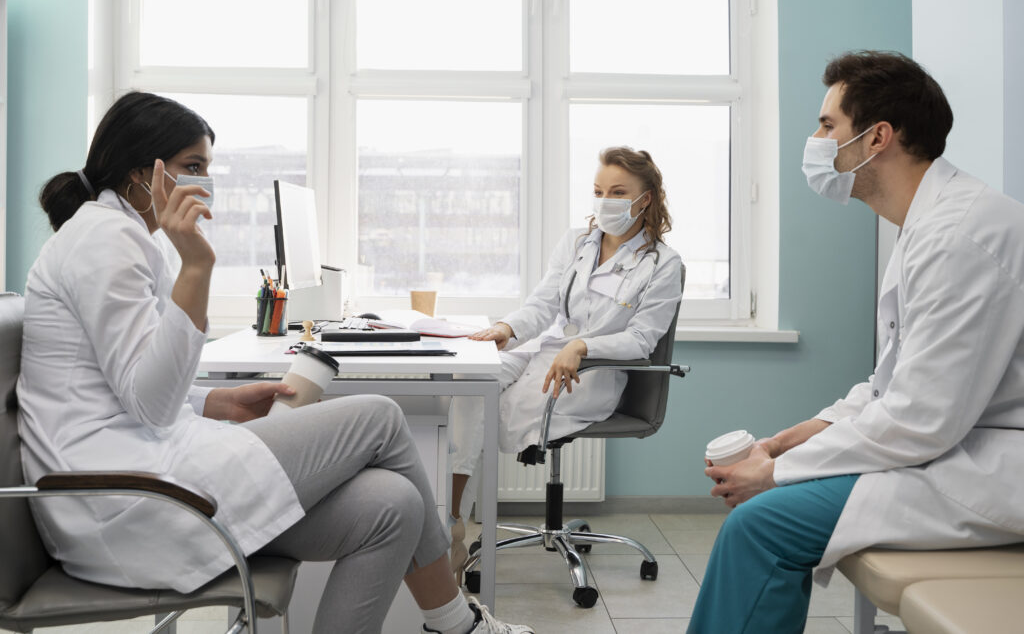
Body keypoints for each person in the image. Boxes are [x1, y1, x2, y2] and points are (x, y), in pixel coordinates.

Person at [17, 91, 532, 634]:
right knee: (379, 416)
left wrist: (213, 401)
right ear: (145, 171)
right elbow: (148, 402)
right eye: (193, 167)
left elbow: (122, 383)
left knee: (394, 503)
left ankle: (454, 624)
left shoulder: (116, 236)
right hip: (125, 504)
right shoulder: (104, 240)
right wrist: (197, 267)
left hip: (145, 480)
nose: (204, 183)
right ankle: (458, 625)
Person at [687, 50, 1024, 633]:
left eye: (827, 126)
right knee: (766, 513)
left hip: (992, 465)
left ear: (877, 138)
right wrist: (786, 444)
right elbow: (886, 388)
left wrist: (775, 474)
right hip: (961, 446)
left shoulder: (959, 236)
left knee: (759, 525)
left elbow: (921, 418)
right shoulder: (929, 225)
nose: (816, 141)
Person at [447, 146, 683, 574]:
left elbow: (642, 339)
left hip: (593, 372)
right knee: (469, 380)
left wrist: (583, 347)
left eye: (617, 192)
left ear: (644, 198)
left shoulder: (662, 264)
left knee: (492, 408)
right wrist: (507, 328)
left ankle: (451, 531)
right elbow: (543, 304)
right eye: (598, 190)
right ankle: (451, 526)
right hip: (546, 350)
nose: (605, 201)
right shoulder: (577, 242)